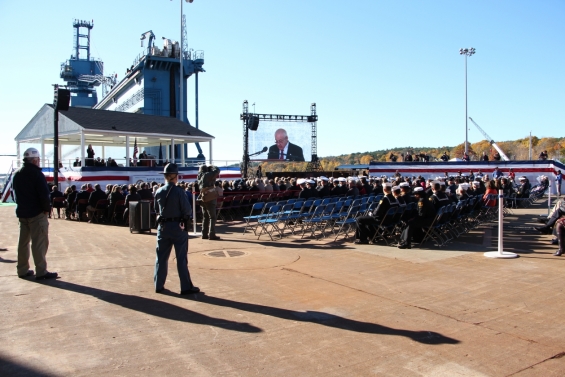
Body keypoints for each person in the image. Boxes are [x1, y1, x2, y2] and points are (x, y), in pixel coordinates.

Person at [12, 147, 58, 280]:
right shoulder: (37, 174)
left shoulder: (17, 174)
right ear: (35, 160)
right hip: (36, 213)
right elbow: (44, 195)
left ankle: (22, 269)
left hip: (22, 212)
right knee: (39, 243)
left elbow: (15, 195)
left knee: (23, 243)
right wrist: (46, 209)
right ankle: (41, 271)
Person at [154, 163, 199, 294]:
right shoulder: (180, 192)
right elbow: (187, 210)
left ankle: (158, 285)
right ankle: (185, 287)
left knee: (161, 257)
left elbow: (156, 210)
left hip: (163, 227)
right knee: (181, 258)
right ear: (175, 177)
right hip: (178, 227)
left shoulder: (158, 191)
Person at [198, 164, 221, 240]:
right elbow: (217, 170)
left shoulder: (199, 176)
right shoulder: (207, 175)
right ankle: (212, 234)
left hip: (203, 197)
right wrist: (212, 166)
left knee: (205, 217)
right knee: (212, 217)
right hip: (210, 197)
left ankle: (204, 234)